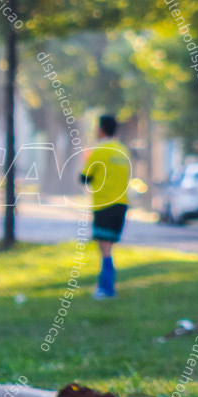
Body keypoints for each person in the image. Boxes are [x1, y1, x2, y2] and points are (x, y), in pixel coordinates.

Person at [80, 115, 131, 300]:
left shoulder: (99, 151)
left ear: (100, 130)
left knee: (105, 249)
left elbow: (84, 178)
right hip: (121, 204)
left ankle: (107, 289)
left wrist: (86, 158)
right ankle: (104, 286)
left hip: (104, 205)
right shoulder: (123, 150)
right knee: (109, 247)